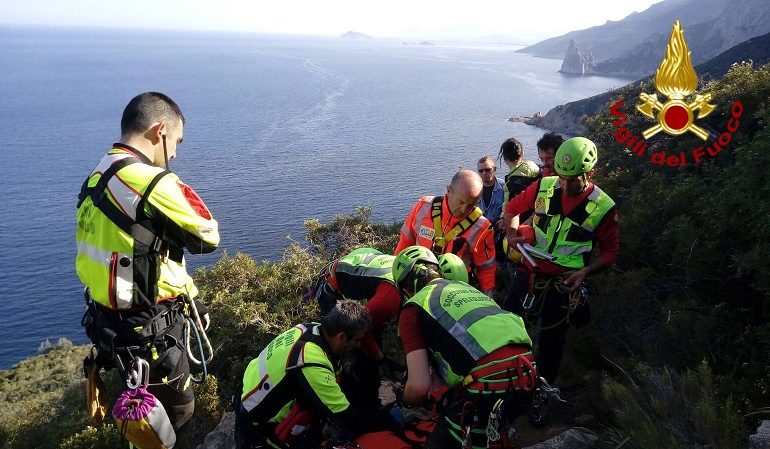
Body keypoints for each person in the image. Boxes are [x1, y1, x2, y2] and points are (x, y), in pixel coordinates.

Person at [76, 92, 220, 429]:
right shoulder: (153, 181)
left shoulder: (97, 175)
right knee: (175, 416)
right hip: (152, 332)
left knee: (138, 415)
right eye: (176, 141)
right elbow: (208, 235)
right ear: (160, 131)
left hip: (110, 329)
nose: (174, 153)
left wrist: (192, 298)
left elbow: (138, 248)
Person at [393, 246, 538, 449]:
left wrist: (406, 402)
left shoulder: (414, 307)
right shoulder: (468, 290)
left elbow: (418, 386)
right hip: (527, 375)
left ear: (406, 289)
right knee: (492, 434)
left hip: (487, 386)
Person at [502, 137, 619, 384]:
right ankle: (504, 376)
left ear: (590, 173)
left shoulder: (603, 207)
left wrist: (586, 271)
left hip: (564, 281)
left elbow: (609, 253)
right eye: (562, 177)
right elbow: (511, 209)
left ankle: (541, 391)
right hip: (529, 268)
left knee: (551, 341)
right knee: (506, 323)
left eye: (573, 180)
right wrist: (512, 235)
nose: (564, 186)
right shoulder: (544, 186)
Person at [234, 300, 396, 449]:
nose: (359, 345)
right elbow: (345, 416)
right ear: (342, 337)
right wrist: (384, 419)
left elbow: (342, 380)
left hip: (249, 388)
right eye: (357, 340)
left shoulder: (310, 328)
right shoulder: (311, 361)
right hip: (256, 422)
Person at [395, 169, 496, 296]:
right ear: (449, 190)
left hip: (454, 290)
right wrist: (394, 274)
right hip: (417, 280)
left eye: (471, 205)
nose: (464, 209)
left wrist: (488, 299)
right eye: (461, 202)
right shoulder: (424, 206)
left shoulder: (481, 227)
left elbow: (486, 268)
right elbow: (405, 241)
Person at [475, 156, 505, 223]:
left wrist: (503, 220)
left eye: (487, 170)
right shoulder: (473, 188)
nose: (484, 173)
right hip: (479, 228)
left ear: (494, 169)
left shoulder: (504, 187)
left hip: (498, 227)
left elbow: (510, 209)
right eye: (481, 171)